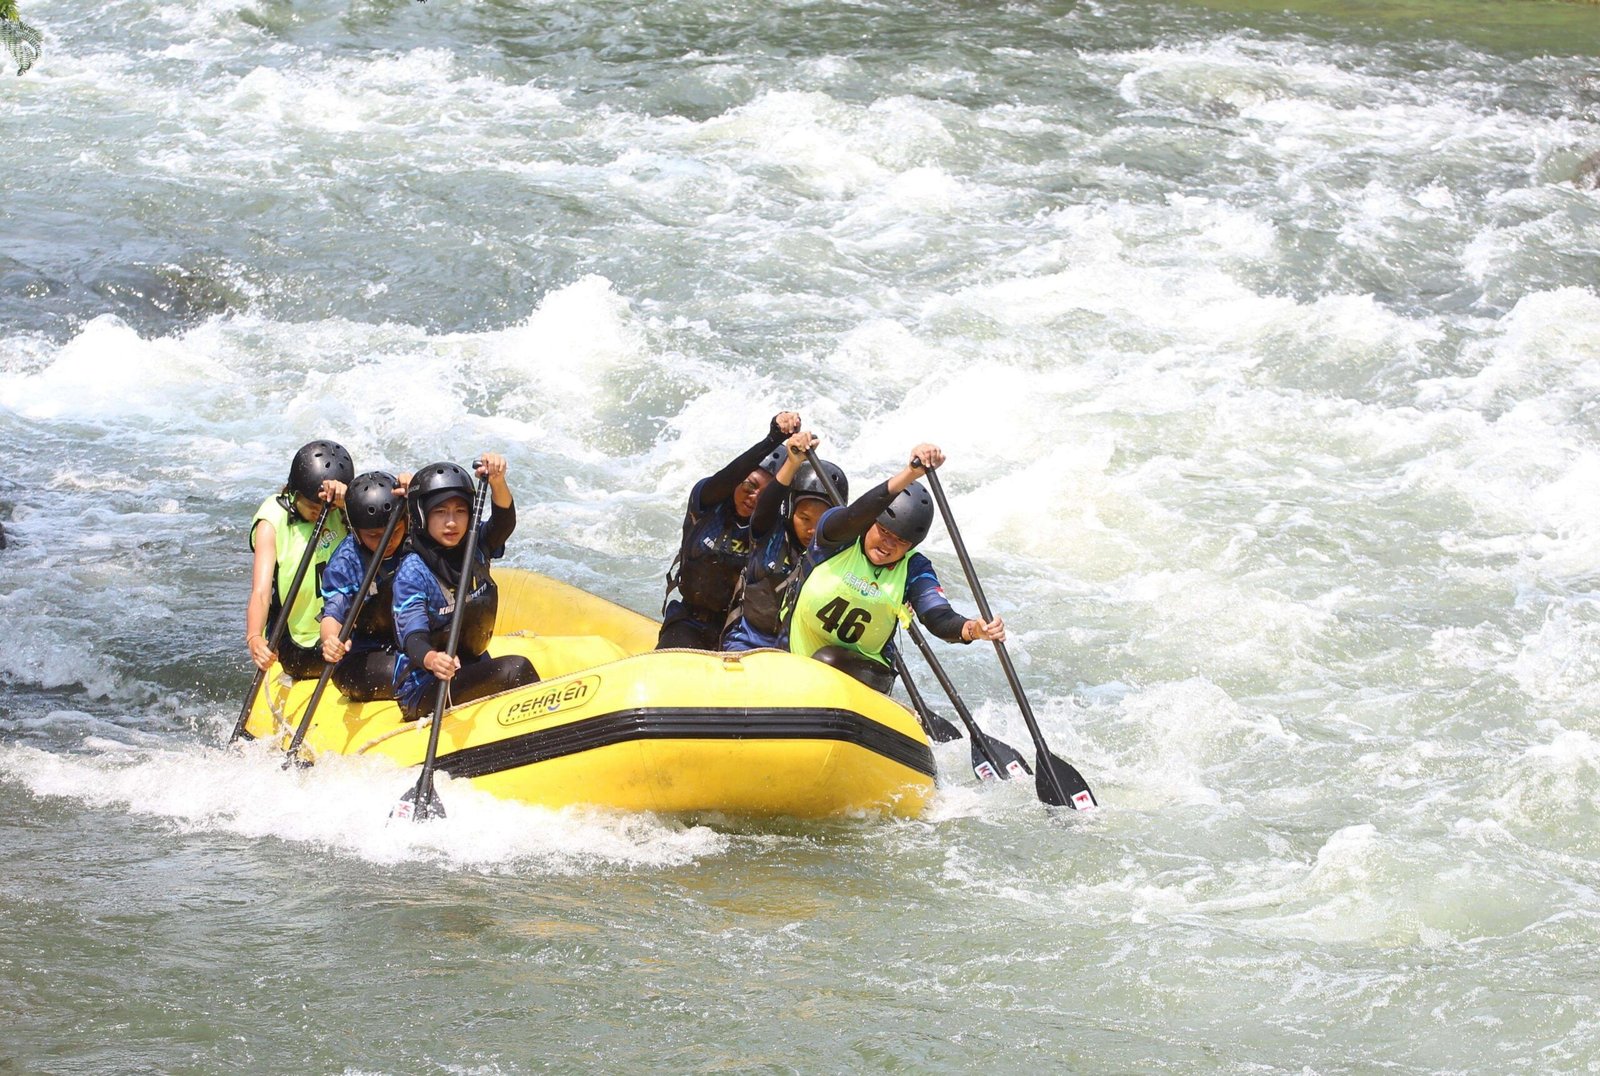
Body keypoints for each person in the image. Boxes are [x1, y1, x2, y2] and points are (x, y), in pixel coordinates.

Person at [784, 444, 1005, 692]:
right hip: (794, 652)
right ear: (870, 523)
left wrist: (973, 629)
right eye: (884, 532)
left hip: (867, 671)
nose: (888, 545)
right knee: (820, 659)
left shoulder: (914, 567)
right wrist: (910, 473)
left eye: (900, 541)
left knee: (827, 659)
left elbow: (937, 616)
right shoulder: (838, 536)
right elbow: (857, 511)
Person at [391, 453, 538, 720]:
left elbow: (503, 524)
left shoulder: (475, 543)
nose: (451, 522)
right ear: (422, 516)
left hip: (471, 664)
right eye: (440, 512)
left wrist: (497, 482)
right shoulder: (413, 570)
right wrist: (433, 659)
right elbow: (413, 637)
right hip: (426, 684)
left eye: (460, 511)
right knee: (517, 669)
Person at [657, 410, 802, 650]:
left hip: (740, 633)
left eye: (765, 494)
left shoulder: (775, 530)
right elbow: (729, 475)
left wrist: (797, 458)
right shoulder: (708, 502)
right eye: (749, 486)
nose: (753, 497)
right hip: (690, 621)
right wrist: (773, 438)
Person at [721, 429, 848, 652]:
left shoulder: (841, 551)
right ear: (790, 511)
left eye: (822, 521)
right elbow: (767, 504)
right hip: (748, 640)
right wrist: (793, 461)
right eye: (805, 519)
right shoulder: (768, 530)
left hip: (799, 650)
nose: (812, 530)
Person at [247, 439, 354, 680]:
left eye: (325, 507)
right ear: (294, 493)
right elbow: (261, 593)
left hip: (344, 628)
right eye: (312, 506)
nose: (320, 513)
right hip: (297, 642)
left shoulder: (341, 510)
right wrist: (254, 637)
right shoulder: (272, 521)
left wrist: (350, 502)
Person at [317, 471, 409, 702]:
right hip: (364, 654)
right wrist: (331, 640)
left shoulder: (415, 539)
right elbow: (333, 613)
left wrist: (418, 487)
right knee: (415, 670)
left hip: (413, 643)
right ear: (357, 532)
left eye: (395, 531)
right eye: (374, 535)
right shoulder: (346, 562)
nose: (386, 541)